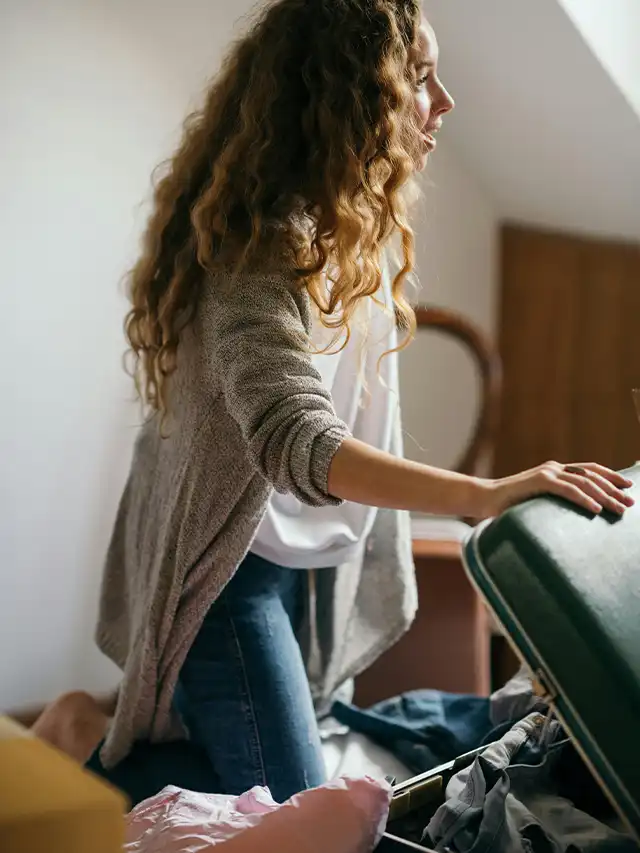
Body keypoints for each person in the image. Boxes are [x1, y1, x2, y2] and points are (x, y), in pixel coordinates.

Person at [93, 0, 634, 804]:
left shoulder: (354, 230)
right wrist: (484, 495)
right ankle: (99, 752)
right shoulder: (258, 251)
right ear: (351, 100)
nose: (444, 101)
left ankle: (480, 718)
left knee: (322, 744)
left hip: (297, 568)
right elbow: (298, 438)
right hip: (229, 587)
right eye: (419, 78)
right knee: (305, 814)